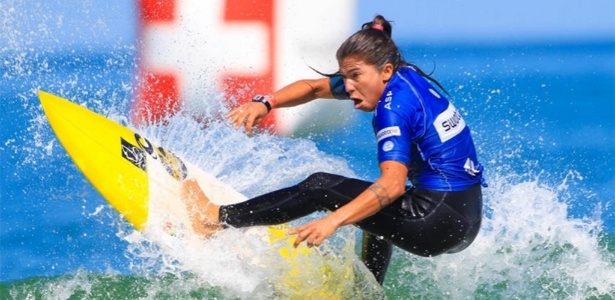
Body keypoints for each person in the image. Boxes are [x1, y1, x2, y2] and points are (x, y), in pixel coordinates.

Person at [182, 15, 486, 285]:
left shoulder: (393, 110)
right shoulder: (402, 77)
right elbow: (314, 87)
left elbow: (392, 186)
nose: (348, 86)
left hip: (435, 221)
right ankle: (367, 291)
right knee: (370, 203)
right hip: (465, 218)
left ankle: (214, 219)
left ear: (385, 70)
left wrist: (333, 220)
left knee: (321, 187)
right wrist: (266, 102)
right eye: (345, 76)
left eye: (355, 75)